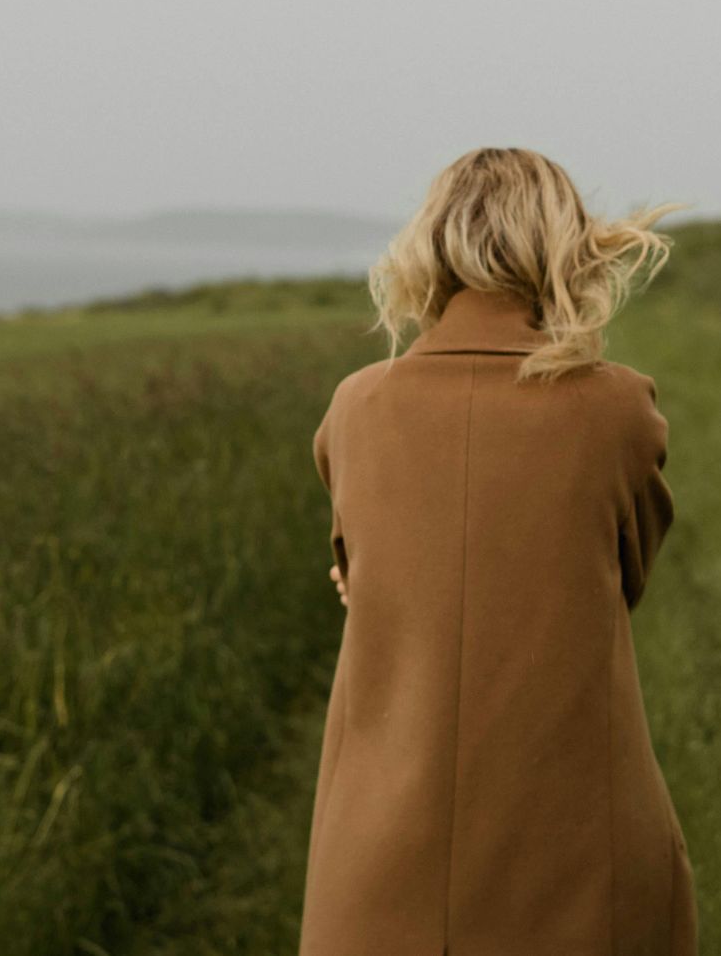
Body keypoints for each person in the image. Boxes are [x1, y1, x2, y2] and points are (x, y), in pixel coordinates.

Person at [299, 146, 697, 956]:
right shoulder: (618, 410)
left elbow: (357, 571)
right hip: (580, 860)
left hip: (376, 866)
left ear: (430, 248)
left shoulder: (355, 410)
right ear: (564, 249)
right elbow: (628, 576)